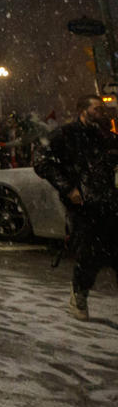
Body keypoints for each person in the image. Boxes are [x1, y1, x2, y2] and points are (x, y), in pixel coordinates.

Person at [33, 94, 118, 322]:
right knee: (90, 253)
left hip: (110, 202)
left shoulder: (106, 135)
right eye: (97, 109)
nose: (102, 112)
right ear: (83, 110)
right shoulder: (66, 134)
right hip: (84, 206)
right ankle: (79, 295)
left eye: (103, 109)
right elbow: (41, 161)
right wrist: (69, 188)